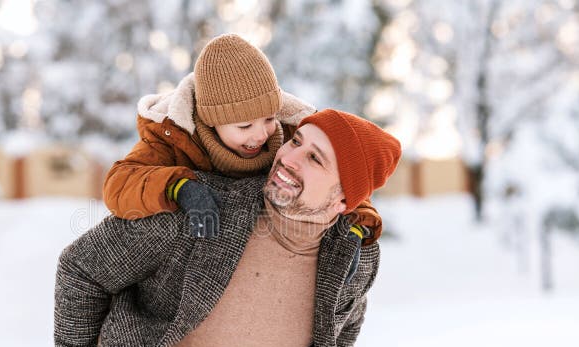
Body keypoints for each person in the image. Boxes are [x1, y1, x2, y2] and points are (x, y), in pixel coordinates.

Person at [54, 108, 402, 347]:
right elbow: (82, 269)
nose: (290, 159)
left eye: (315, 159)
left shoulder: (354, 259)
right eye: (295, 141)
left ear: (345, 199)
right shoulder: (201, 208)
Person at [102, 33, 383, 242]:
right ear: (212, 121)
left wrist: (359, 226)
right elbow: (118, 184)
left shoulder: (290, 134)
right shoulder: (173, 138)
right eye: (245, 125)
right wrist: (179, 187)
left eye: (269, 118)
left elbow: (344, 181)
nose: (261, 134)